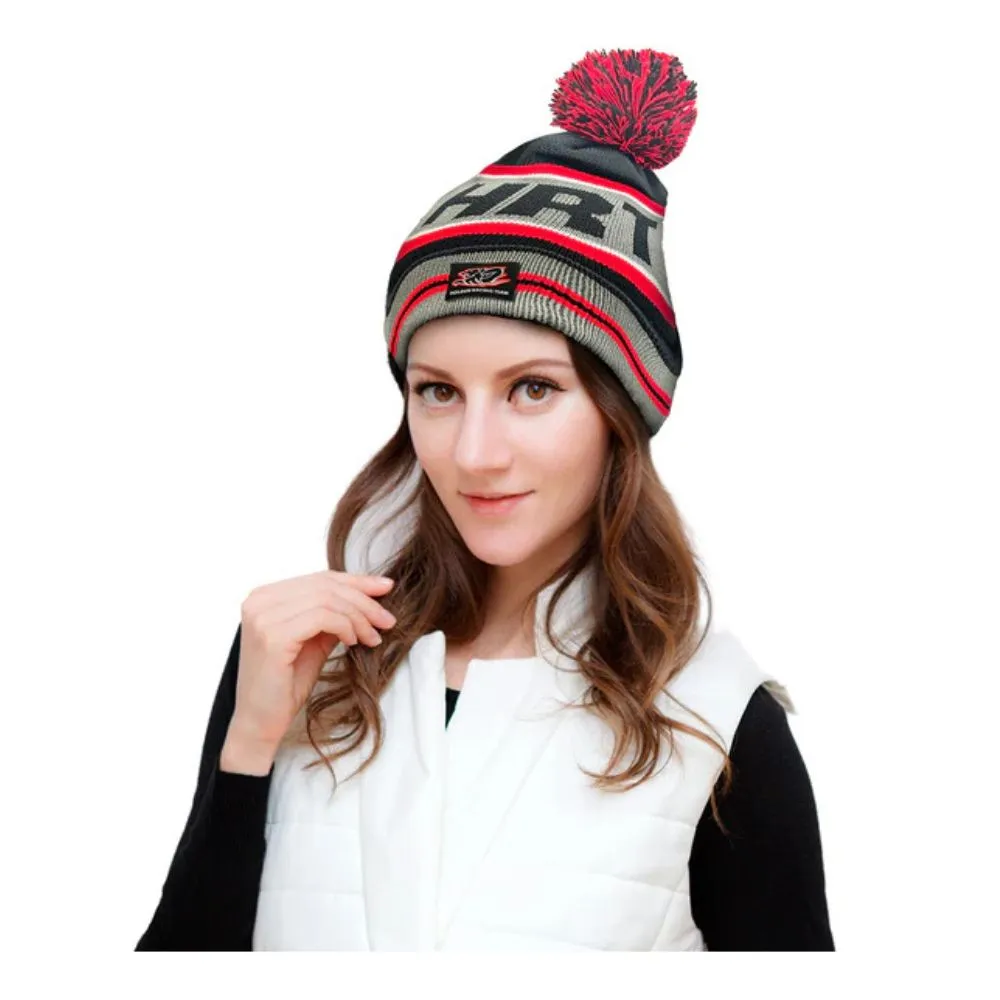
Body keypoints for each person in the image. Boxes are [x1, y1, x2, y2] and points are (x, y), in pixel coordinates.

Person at [135, 47, 835, 951]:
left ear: (620, 411)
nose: (473, 453)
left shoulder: (719, 719)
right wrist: (248, 751)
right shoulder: (300, 658)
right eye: (437, 391)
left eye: (532, 389)